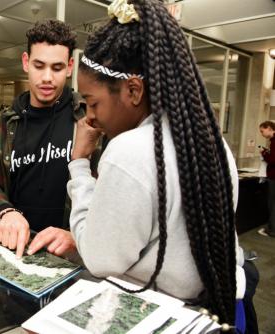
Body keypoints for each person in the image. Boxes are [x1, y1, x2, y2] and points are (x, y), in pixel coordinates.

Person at [67, 0, 246, 330]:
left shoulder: (128, 153)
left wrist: (79, 164)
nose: (89, 116)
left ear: (133, 90)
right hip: (211, 312)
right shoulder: (211, 144)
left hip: (154, 317)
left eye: (93, 102)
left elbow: (99, 258)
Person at [0, 19, 97, 259]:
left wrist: (79, 235)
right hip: (15, 253)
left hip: (74, 256)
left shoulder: (92, 119)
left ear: (70, 67)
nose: (47, 77)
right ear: (26, 62)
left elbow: (111, 194)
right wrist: (5, 212)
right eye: (39, 66)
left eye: (57, 68)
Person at [258, 120, 275, 237]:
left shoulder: (274, 142)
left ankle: (272, 230)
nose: (261, 134)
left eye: (262, 131)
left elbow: (273, 160)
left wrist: (264, 153)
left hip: (274, 177)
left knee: (272, 204)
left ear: (269, 128)